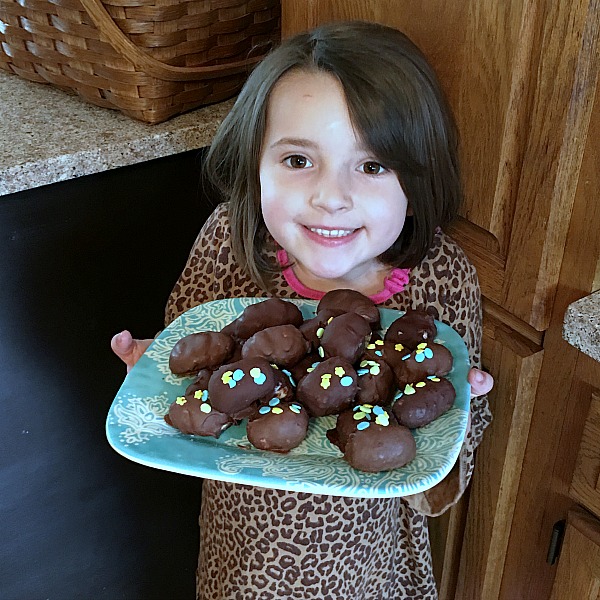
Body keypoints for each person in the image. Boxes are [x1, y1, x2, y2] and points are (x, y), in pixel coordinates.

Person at [112, 21, 494, 599]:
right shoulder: (228, 242)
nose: (330, 196)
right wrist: (154, 365)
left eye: (372, 166)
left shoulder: (440, 276)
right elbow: (189, 358)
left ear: (417, 181)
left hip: (368, 559)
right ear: (255, 164)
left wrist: (459, 413)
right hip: (243, 542)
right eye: (297, 160)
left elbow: (438, 460)